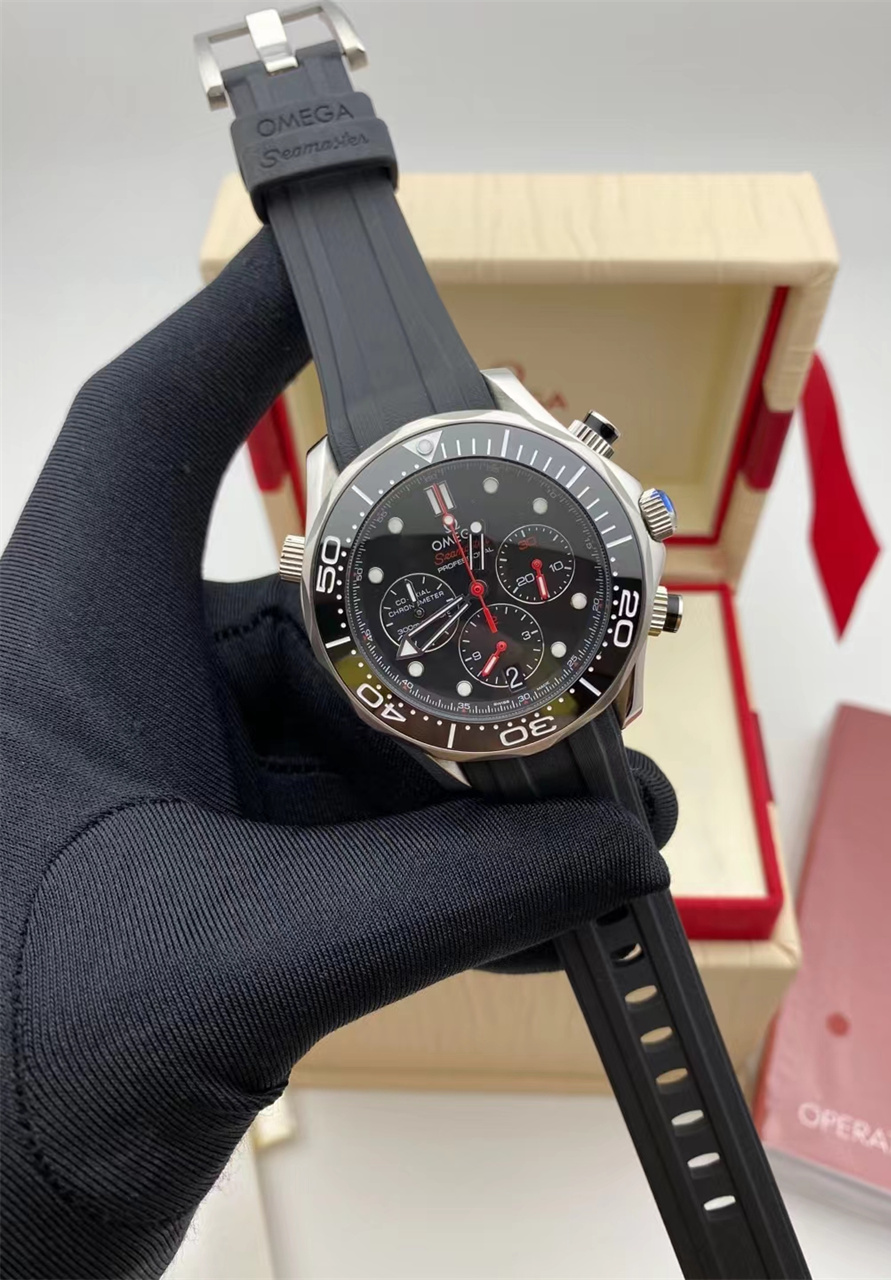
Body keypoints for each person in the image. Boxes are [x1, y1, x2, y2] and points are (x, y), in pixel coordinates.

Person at [0, 228, 676, 1279]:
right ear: (315, 573)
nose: (483, 582)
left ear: (629, 521)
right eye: (458, 577)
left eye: (515, 570)